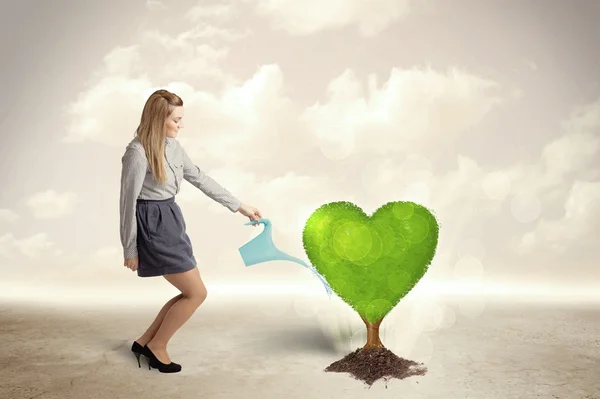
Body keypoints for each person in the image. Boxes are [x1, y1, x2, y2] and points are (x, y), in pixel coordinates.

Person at [119, 89, 262, 373]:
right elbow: (127, 203)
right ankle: (158, 347)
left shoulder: (173, 146)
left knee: (190, 292)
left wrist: (239, 206)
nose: (181, 125)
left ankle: (145, 341)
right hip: (152, 223)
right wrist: (130, 248)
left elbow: (199, 177)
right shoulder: (137, 153)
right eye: (177, 120)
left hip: (171, 219)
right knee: (196, 293)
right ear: (159, 119)